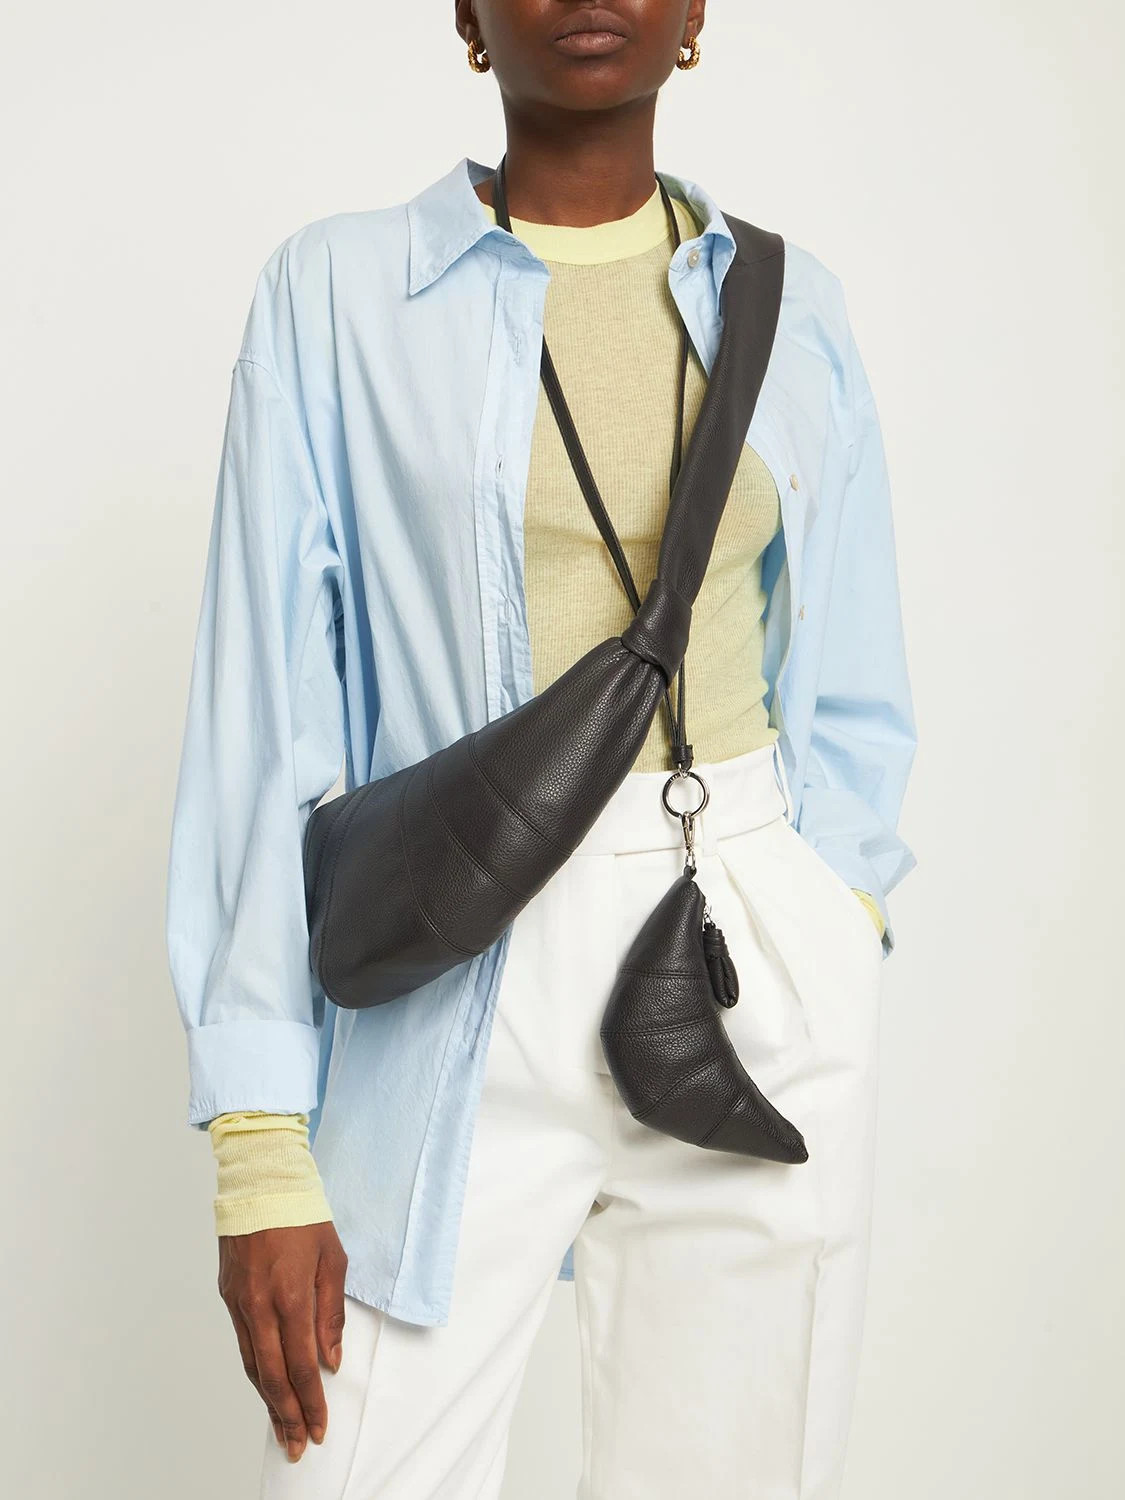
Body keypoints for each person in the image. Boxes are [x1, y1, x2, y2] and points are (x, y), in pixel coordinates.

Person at [165, 3, 918, 1496]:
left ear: (694, 15)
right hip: (459, 933)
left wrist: (840, 918)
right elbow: (261, 714)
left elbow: (850, 682)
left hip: (748, 945)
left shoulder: (792, 303)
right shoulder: (338, 292)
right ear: (465, 15)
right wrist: (258, 1135)